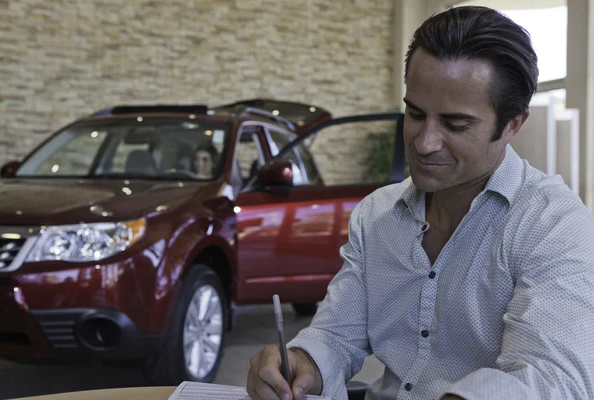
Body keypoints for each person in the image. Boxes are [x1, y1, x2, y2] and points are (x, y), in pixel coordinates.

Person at [247, 6, 594, 400]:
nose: (424, 143)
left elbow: (553, 378)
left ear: (513, 124)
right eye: (415, 113)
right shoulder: (377, 215)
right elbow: (336, 334)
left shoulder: (553, 225)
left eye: (455, 124)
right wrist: (300, 363)